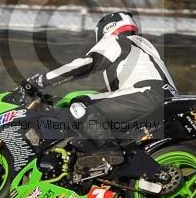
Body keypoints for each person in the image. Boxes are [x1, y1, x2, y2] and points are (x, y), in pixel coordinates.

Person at [22, 11, 178, 166]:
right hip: (166, 100)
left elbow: (87, 64)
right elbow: (113, 95)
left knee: (80, 105)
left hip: (147, 95)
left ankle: (108, 150)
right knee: (96, 112)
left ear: (106, 29)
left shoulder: (117, 40)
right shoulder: (143, 49)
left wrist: (41, 81)